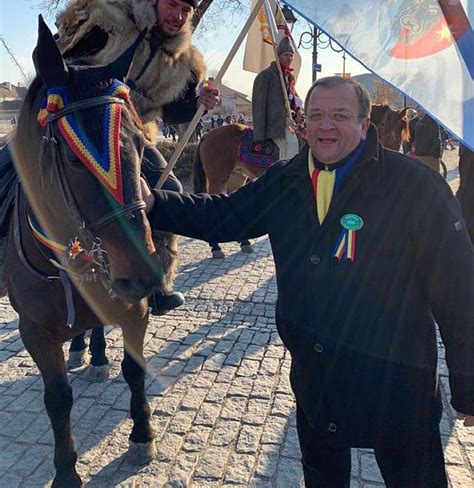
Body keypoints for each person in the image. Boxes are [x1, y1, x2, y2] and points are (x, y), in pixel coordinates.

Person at [141, 76, 474, 488]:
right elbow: (224, 216)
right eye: (316, 115)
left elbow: (459, 293)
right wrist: (155, 203)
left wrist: (468, 382)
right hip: (319, 384)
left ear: (365, 124)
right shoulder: (286, 179)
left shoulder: (416, 187)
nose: (326, 126)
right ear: (303, 123)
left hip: (398, 388)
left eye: (340, 115)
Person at [55, 0, 219, 314]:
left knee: (170, 190)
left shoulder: (186, 63)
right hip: (80, 121)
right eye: (172, 4)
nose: (178, 15)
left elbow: (176, 112)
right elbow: (61, 57)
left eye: (186, 9)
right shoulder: (106, 21)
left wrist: (199, 103)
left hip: (133, 137)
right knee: (11, 167)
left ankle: (156, 281)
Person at [252, 36, 299, 160]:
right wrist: (283, 119)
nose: (289, 58)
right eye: (286, 55)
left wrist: (298, 112)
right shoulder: (266, 76)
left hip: (288, 123)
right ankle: (285, 173)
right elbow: (260, 106)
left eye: (291, 55)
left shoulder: (288, 78)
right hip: (273, 127)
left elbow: (292, 100)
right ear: (278, 56)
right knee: (292, 143)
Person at [413, 107, 441, 173]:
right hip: (422, 154)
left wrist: (435, 154)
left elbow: (436, 140)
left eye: (420, 110)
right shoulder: (418, 121)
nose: (418, 112)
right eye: (417, 110)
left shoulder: (430, 122)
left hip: (427, 156)